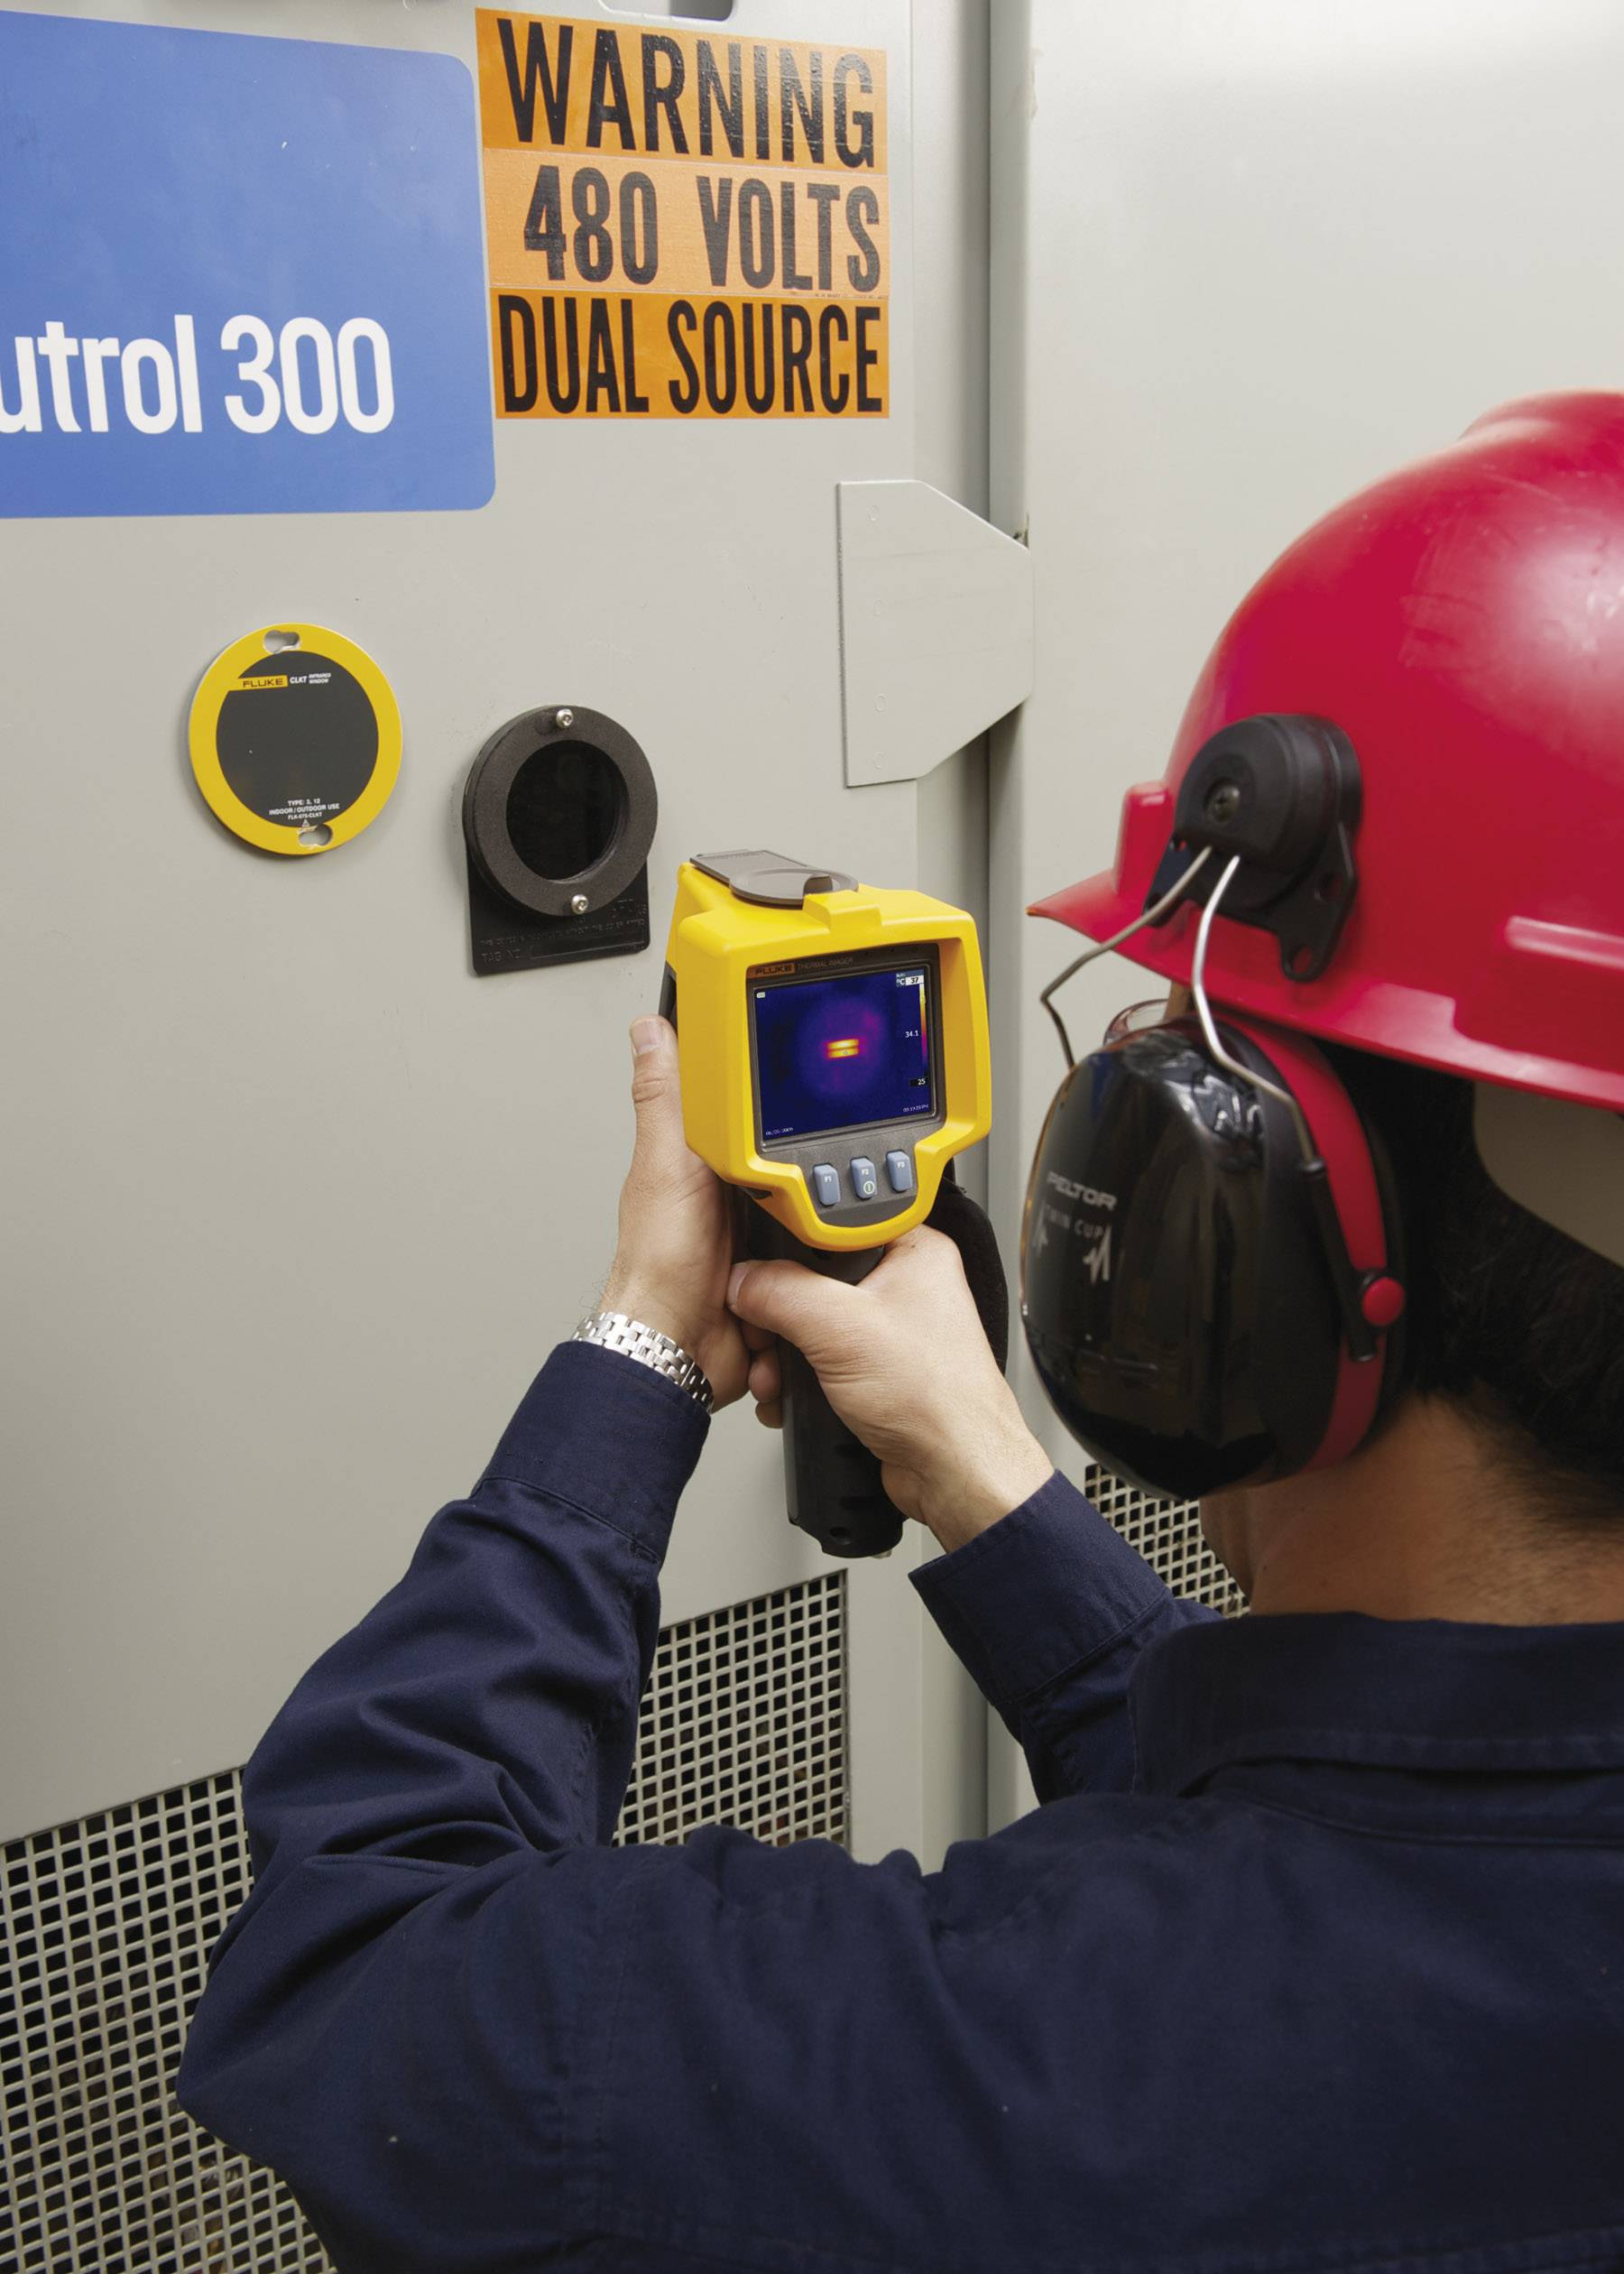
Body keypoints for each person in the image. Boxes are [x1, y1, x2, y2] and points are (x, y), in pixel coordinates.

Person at [179, 394, 1624, 2270]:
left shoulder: (1068, 2078)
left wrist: (637, 1352)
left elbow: (355, 1980)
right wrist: (980, 1474)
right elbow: (1355, 1852)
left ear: (1222, 1243)